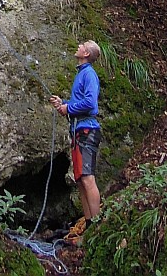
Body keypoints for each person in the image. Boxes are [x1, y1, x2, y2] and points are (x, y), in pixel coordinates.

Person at [50, 40, 102, 243]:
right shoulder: (81, 73)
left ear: (87, 53)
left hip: (87, 131)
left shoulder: (89, 74)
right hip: (78, 130)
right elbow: (79, 102)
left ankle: (97, 227)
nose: (78, 45)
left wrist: (68, 108)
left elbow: (90, 102)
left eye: (82, 45)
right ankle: (89, 225)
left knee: (87, 178)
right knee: (80, 179)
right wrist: (63, 104)